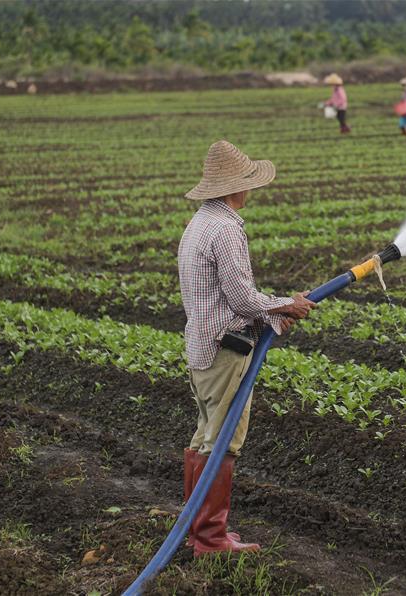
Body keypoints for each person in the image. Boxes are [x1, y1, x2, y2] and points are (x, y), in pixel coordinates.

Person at [179, 140, 316, 556]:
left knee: (206, 437)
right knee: (223, 441)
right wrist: (283, 304)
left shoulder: (200, 222)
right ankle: (211, 539)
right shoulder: (226, 229)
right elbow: (240, 298)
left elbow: (230, 298)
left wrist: (276, 311)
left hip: (203, 346)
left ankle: (198, 531)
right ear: (236, 187)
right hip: (225, 352)